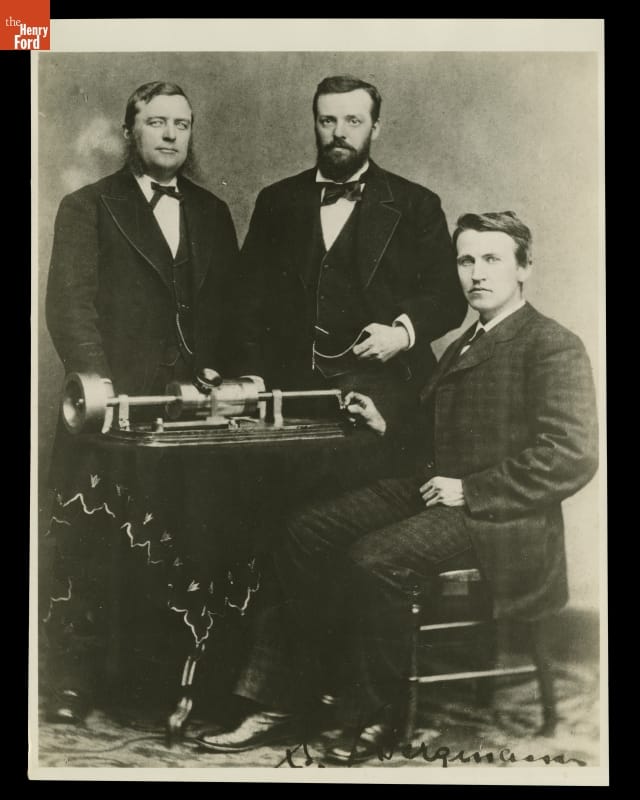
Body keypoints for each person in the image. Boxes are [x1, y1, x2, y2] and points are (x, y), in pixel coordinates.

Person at [196, 211, 599, 762]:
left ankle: (376, 714)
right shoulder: (464, 341)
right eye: (466, 260)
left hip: (503, 515)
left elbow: (572, 456)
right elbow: (438, 433)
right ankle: (290, 696)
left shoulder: (552, 344)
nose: (476, 273)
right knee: (305, 531)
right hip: (438, 491)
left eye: (492, 259)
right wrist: (389, 424)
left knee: (374, 558)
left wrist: (472, 491)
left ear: (524, 267)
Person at [44, 81, 239, 723]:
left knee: (174, 543)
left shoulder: (213, 213)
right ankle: (72, 684)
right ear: (130, 131)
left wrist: (220, 367)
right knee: (93, 548)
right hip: (109, 412)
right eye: (156, 122)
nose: (170, 135)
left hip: (186, 415)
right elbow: (69, 308)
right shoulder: (87, 206)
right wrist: (99, 387)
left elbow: (228, 315)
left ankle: (159, 683)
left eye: (181, 124)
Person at [233, 75, 466, 442]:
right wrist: (252, 376)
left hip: (385, 392)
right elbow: (246, 299)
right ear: (315, 124)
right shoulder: (277, 200)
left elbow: (449, 297)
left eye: (353, 121)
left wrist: (402, 334)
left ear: (376, 127)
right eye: (328, 121)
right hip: (292, 392)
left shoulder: (416, 204)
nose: (339, 132)